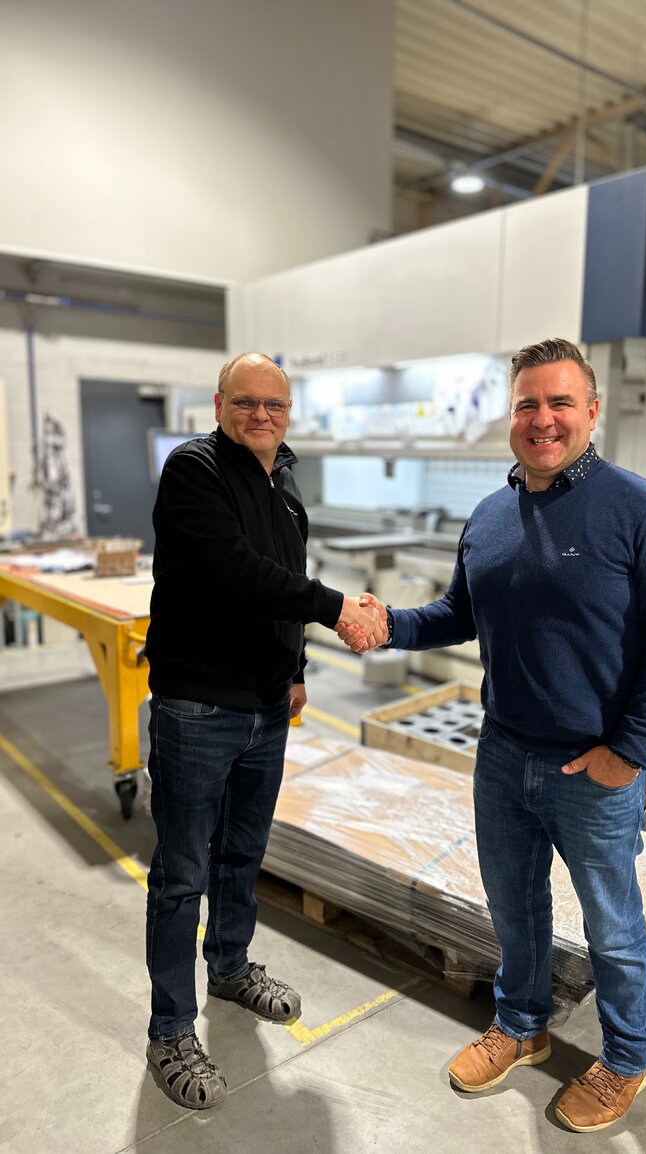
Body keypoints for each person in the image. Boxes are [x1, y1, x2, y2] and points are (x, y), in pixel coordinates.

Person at [338, 338, 646, 1133]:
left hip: (591, 768)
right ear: (511, 417)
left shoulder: (645, 511)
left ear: (592, 411)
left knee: (611, 926)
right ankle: (521, 1025)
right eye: (527, 405)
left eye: (560, 402)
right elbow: (459, 614)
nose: (543, 419)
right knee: (514, 907)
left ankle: (627, 1056)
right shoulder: (492, 515)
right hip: (503, 754)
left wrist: (629, 752)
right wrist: (389, 625)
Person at [144, 352, 381, 1110]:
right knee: (182, 874)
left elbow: (284, 570)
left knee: (242, 852)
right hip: (198, 706)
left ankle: (230, 967)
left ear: (288, 413)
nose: (260, 415)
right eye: (245, 402)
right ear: (218, 405)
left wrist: (297, 665)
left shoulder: (285, 480)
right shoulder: (194, 471)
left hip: (266, 704)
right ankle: (171, 1029)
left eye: (274, 405)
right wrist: (336, 607)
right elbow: (236, 571)